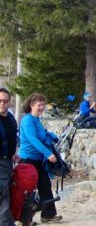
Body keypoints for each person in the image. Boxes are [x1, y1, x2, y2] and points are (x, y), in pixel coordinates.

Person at [18, 93, 62, 224]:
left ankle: (48, 215)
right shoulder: (27, 120)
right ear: (31, 105)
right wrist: (48, 153)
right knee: (27, 191)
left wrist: (50, 136)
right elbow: (33, 139)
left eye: (43, 104)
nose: (42, 107)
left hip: (39, 160)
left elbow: (42, 135)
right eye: (39, 105)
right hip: (28, 160)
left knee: (45, 186)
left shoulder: (36, 119)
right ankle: (22, 218)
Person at [0, 88, 18, 226]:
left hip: (7, 162)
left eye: (5, 101)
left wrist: (14, 153)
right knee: (3, 194)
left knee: (7, 193)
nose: (2, 103)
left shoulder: (11, 118)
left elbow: (13, 138)